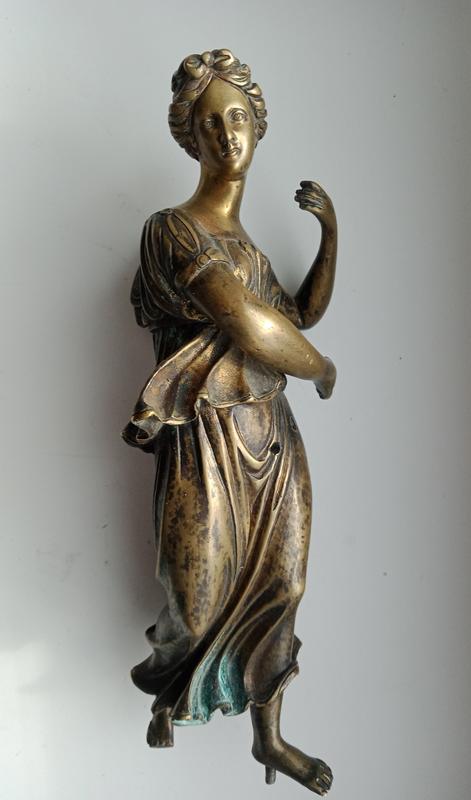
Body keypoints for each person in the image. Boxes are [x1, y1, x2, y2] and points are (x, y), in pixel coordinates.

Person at [123, 49, 337, 795]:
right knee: (196, 589)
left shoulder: (251, 250)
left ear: (257, 126)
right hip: (205, 439)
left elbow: (294, 316)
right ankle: (173, 685)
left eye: (238, 117)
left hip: (270, 437)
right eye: (209, 122)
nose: (226, 133)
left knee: (284, 584)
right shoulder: (171, 231)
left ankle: (269, 738)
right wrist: (322, 370)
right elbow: (247, 324)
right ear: (190, 135)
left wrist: (330, 235)